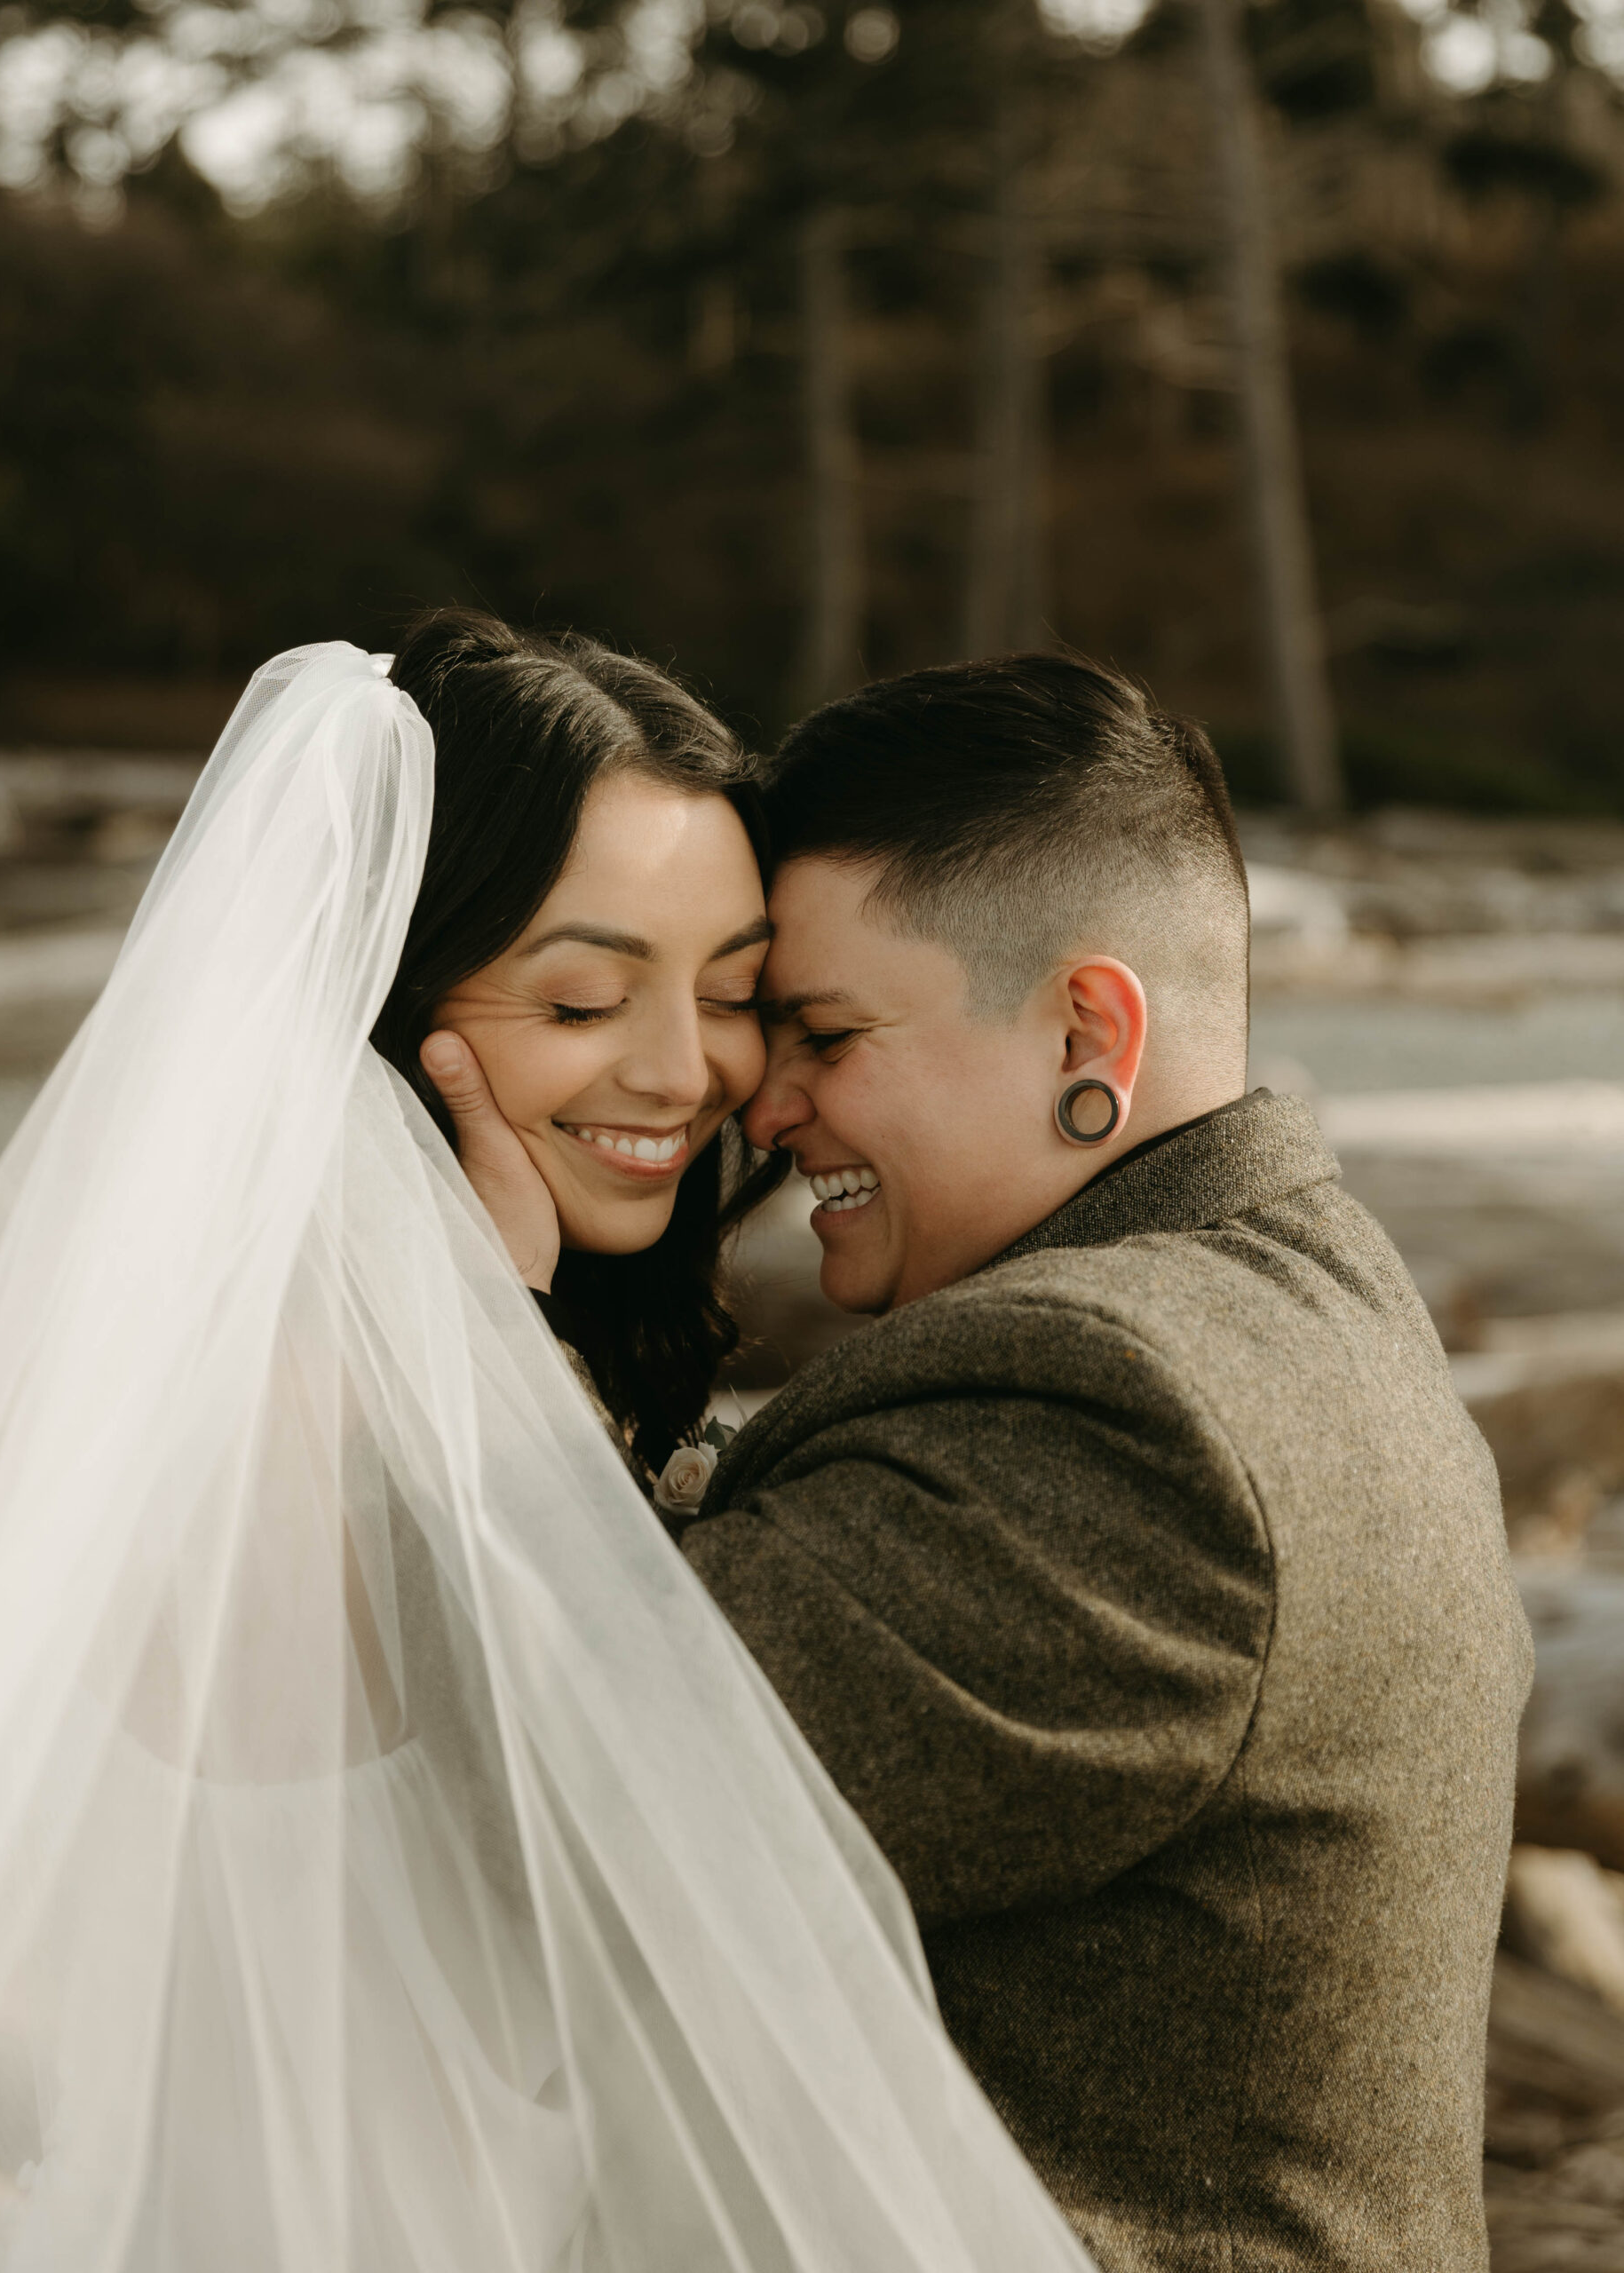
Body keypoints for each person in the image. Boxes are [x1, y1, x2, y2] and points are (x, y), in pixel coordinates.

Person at [0, 621, 1092, 2273]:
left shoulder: (399, 1349)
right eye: (581, 994)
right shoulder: (310, 1410)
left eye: (729, 992)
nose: (683, 1068)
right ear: (397, 996)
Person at [669, 654, 1535, 2271]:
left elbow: (560, 1754)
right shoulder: (1305, 1294)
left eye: (826, 1032)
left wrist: (485, 1285)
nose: (763, 1104)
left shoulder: (1119, 1409)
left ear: (1089, 1023)